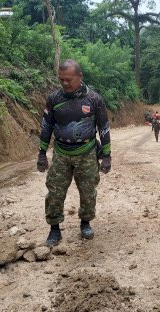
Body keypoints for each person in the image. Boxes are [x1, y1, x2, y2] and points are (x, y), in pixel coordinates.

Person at [37, 60, 112, 246]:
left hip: (87, 152)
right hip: (61, 152)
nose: (64, 83)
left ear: (80, 77)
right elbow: (46, 126)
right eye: (61, 79)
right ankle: (54, 229)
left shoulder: (94, 99)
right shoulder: (54, 99)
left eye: (69, 79)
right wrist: (41, 153)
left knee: (87, 191)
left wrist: (107, 155)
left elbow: (103, 126)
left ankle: (85, 223)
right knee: (54, 191)